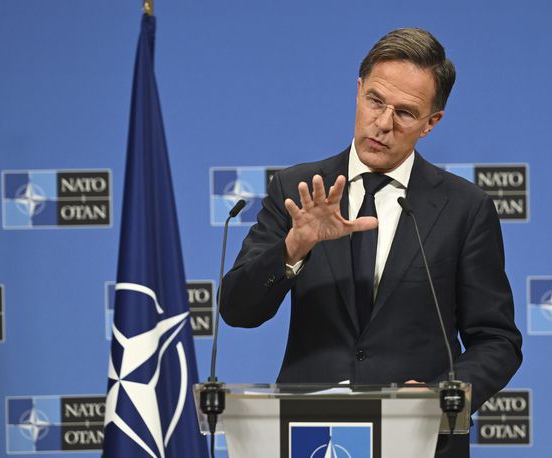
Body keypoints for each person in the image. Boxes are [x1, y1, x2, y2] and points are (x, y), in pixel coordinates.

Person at [220, 28, 522, 457]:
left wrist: (439, 396)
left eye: (405, 113)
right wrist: (294, 248)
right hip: (308, 437)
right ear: (358, 90)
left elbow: (497, 341)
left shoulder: (465, 208)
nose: (383, 123)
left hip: (419, 438)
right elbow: (237, 309)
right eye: (375, 101)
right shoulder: (298, 189)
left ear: (430, 123)